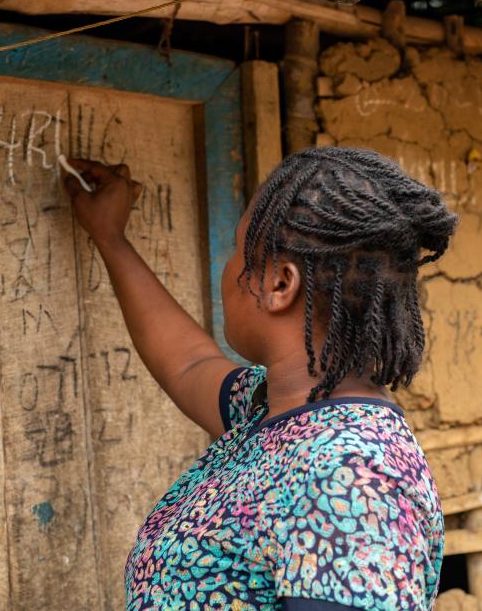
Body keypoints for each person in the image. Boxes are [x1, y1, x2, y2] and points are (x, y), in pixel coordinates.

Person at [64, 146, 457, 610]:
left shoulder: (353, 477)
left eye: (237, 249)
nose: (228, 268)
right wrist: (111, 238)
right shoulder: (274, 411)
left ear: (279, 285)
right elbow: (189, 363)